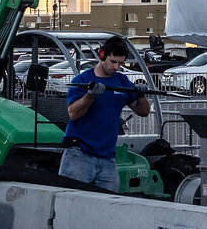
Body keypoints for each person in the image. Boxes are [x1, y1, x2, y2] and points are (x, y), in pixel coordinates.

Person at [58, 37, 151, 192]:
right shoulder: (83, 80)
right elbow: (73, 113)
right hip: (79, 154)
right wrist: (90, 96)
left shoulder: (122, 81)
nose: (116, 67)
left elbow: (143, 111)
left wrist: (141, 96)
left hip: (107, 157)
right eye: (113, 61)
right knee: (71, 201)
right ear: (102, 55)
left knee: (109, 206)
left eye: (120, 63)